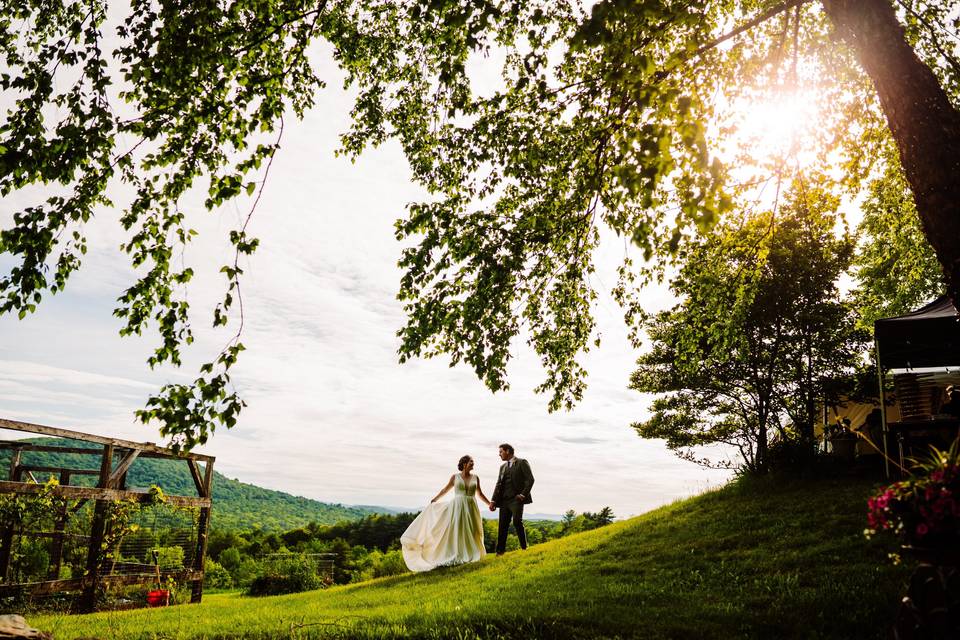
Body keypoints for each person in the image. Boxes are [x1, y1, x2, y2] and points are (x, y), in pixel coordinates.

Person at [400, 455, 491, 572]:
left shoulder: (476, 478)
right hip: (457, 507)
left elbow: (480, 493)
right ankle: (457, 552)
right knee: (458, 530)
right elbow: (445, 490)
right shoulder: (455, 477)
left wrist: (489, 504)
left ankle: (472, 552)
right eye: (471, 462)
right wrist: (435, 499)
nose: (473, 464)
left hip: (471, 507)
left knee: (473, 530)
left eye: (473, 462)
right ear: (464, 464)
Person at [489, 443, 534, 556]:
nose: (499, 454)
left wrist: (523, 495)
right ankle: (500, 552)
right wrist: (493, 500)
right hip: (504, 500)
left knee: (517, 521)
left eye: (501, 452)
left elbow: (530, 480)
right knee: (502, 525)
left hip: (516, 499)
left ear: (507, 451)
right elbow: (498, 484)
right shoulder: (502, 467)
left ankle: (524, 547)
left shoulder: (522, 462)